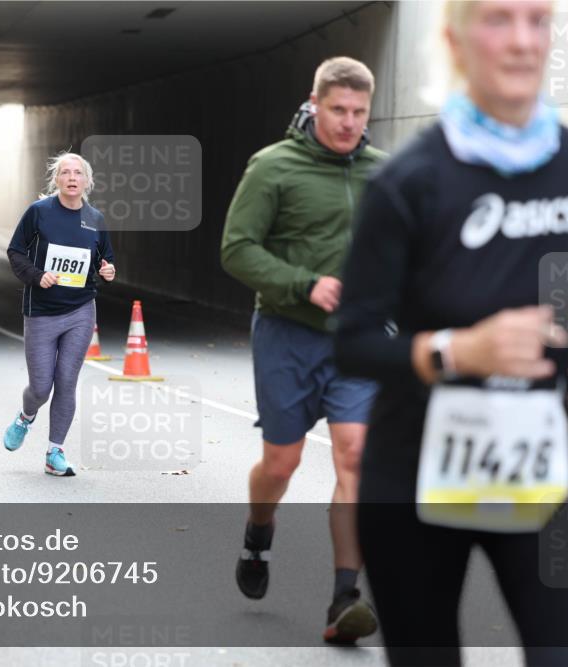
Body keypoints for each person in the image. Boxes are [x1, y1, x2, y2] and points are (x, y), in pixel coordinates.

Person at [334, 2, 568, 664]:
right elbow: (354, 342)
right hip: (415, 475)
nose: (521, 41)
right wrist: (459, 350)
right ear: (454, 38)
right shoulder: (408, 182)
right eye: (498, 20)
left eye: (537, 21)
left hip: (541, 468)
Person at [219, 56, 386, 643]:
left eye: (359, 112)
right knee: (281, 463)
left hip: (358, 340)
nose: (348, 122)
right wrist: (303, 283)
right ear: (315, 104)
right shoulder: (273, 166)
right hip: (287, 333)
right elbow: (236, 249)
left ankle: (345, 598)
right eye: (338, 109)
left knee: (355, 456)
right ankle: (258, 532)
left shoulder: (383, 174)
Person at [3, 152, 116, 476]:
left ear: (87, 180)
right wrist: (37, 275)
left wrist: (108, 270)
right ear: (57, 179)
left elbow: (104, 260)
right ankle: (25, 417)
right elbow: (16, 251)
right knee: (41, 387)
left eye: (77, 173)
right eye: (65, 172)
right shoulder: (39, 212)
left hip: (81, 310)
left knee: (67, 381)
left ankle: (55, 452)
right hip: (41, 311)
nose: (71, 178)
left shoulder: (95, 219)